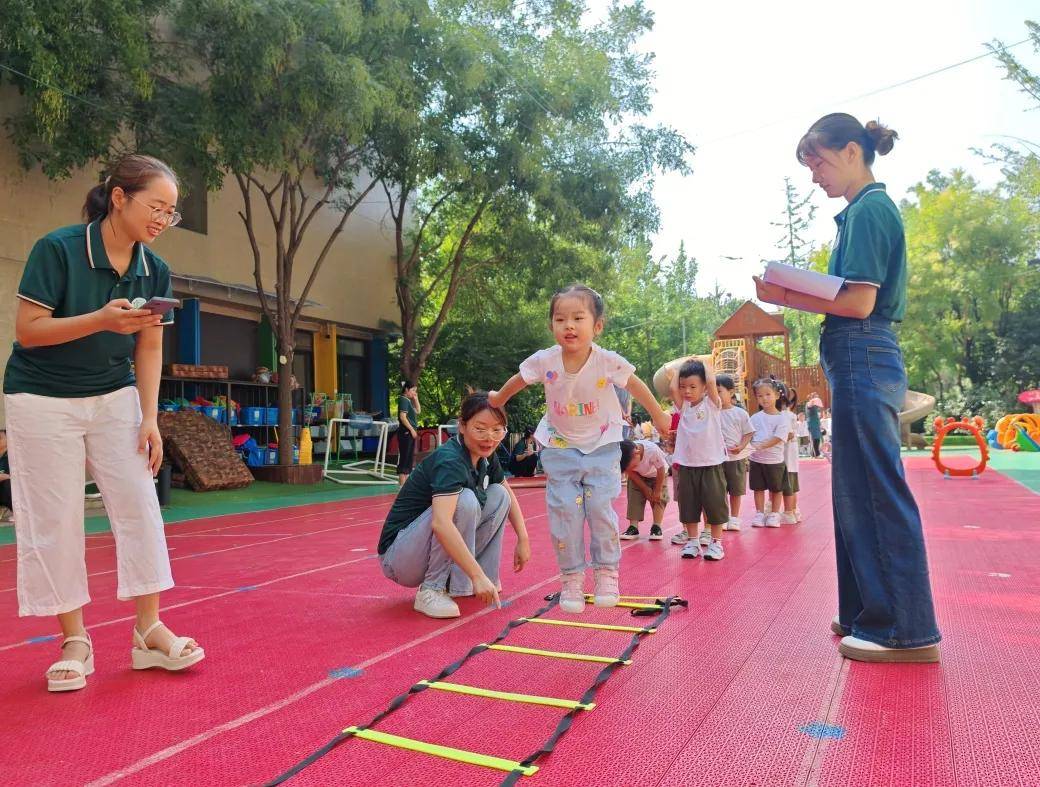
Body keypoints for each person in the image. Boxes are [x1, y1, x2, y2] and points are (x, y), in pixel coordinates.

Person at [4, 154, 204, 692]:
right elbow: (28, 331)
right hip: (41, 399)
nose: (163, 219)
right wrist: (99, 318)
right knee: (55, 517)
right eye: (155, 206)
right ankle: (74, 640)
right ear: (119, 197)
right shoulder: (58, 249)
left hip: (113, 395)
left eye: (172, 212)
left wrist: (150, 417)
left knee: (141, 504)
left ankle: (148, 631)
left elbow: (151, 344)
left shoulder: (155, 269)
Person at [753, 112, 940, 663]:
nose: (815, 175)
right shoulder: (860, 212)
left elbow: (858, 303)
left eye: (819, 161)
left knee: (875, 490)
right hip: (857, 355)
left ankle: (905, 630)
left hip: (863, 350)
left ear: (853, 151)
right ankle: (867, 613)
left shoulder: (870, 209)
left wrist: (785, 295)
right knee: (855, 490)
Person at [489, 284, 672, 613]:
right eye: (561, 319)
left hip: (602, 445)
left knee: (601, 509)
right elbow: (520, 378)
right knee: (565, 514)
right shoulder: (545, 360)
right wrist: (499, 399)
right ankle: (571, 577)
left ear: (597, 326)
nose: (569, 325)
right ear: (552, 326)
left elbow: (635, 383)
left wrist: (658, 413)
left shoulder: (606, 361)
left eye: (578, 318)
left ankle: (606, 572)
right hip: (560, 447)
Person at [378, 391, 531, 619]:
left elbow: (507, 493)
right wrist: (476, 575)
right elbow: (441, 523)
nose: (489, 437)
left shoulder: (486, 454)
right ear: (462, 426)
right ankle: (432, 589)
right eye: (480, 429)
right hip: (400, 557)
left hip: (423, 548)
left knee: (499, 495)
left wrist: (523, 539)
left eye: (497, 430)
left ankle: (472, 580)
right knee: (464, 500)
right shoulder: (450, 459)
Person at [669, 358, 729, 561]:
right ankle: (693, 541)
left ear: (703, 387)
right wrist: (681, 367)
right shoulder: (683, 407)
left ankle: (716, 543)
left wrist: (702, 363)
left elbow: (712, 382)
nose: (687, 391)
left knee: (714, 505)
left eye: (693, 386)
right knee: (689, 505)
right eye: (684, 387)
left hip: (710, 464)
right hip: (687, 464)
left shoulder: (712, 404)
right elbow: (672, 387)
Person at [747, 378, 788, 528]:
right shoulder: (754, 417)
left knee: (776, 489)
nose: (764, 398)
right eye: (759, 395)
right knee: (758, 488)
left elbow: (778, 438)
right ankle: (759, 513)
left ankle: (774, 514)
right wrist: (747, 447)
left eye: (768, 394)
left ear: (777, 395)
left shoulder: (782, 418)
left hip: (775, 461)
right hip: (756, 460)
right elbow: (748, 434)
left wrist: (761, 446)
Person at [717, 375, 754, 531]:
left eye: (719, 391)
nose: (716, 395)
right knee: (720, 490)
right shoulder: (712, 413)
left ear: (731, 392)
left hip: (736, 458)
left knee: (736, 490)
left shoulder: (740, 413)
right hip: (717, 459)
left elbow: (748, 432)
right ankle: (723, 517)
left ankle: (735, 517)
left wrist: (741, 446)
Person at [619, 438, 669, 541]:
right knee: (634, 497)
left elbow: (661, 469)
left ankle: (656, 526)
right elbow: (630, 472)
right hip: (638, 476)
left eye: (633, 465)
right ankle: (633, 527)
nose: (632, 467)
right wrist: (645, 489)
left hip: (658, 475)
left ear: (637, 453)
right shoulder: (626, 456)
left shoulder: (652, 450)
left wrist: (657, 490)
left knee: (658, 498)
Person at [778, 382, 801, 524]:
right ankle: (793, 510)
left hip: (785, 457)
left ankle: (788, 512)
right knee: (791, 485)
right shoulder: (790, 415)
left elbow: (788, 435)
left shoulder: (784, 415)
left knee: (788, 486)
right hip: (790, 458)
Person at [396, 381, 420, 485]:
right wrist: (411, 430)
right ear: (406, 389)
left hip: (409, 433)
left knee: (408, 459)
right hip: (406, 432)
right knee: (405, 459)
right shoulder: (403, 400)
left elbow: (418, 411)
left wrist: (416, 398)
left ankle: (404, 486)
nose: (414, 393)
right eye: (413, 390)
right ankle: (402, 486)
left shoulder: (408, 401)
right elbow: (402, 417)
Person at [806, 392, 823, 457]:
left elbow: (817, 415)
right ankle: (816, 454)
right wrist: (813, 400)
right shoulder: (809, 403)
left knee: (817, 438)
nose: (817, 398)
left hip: (816, 423)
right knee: (815, 438)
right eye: (815, 396)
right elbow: (809, 405)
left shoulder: (816, 406)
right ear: (811, 397)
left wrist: (819, 424)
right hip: (812, 424)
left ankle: (815, 453)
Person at [0, 429, 12, 523]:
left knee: (8, 483)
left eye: (0, 438)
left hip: (8, 489)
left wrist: (7, 476)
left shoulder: (13, 457)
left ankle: (16, 512)